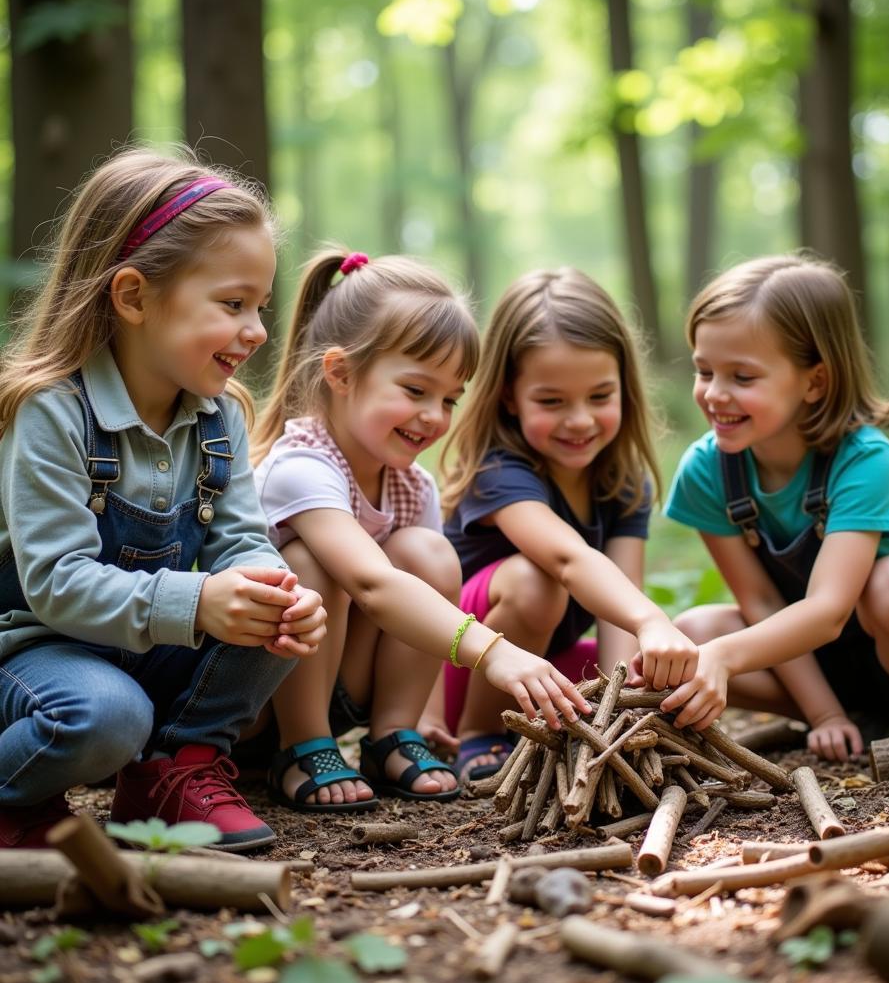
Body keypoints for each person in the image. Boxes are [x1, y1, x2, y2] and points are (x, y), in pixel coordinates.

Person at [0, 149, 328, 851]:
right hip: (41, 650)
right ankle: (16, 793)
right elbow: (56, 585)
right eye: (233, 304)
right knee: (106, 719)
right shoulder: (51, 413)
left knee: (274, 609)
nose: (258, 331)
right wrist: (198, 602)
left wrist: (270, 587)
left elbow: (239, 538)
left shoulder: (220, 417)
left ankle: (174, 770)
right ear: (134, 297)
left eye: (260, 307)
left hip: (150, 643)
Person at [249, 251, 590, 813]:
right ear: (340, 373)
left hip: (344, 677)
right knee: (309, 564)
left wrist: (429, 714)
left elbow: (427, 602)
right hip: (262, 696)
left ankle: (391, 737)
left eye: (450, 398)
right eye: (415, 390)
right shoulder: (299, 467)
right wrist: (494, 653)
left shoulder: (411, 485)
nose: (434, 414)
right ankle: (302, 744)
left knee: (428, 553)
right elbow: (373, 585)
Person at [661, 254, 889, 761]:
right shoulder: (707, 469)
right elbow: (760, 602)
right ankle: (856, 719)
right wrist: (823, 713)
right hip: (826, 659)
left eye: (743, 377)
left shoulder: (864, 461)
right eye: (704, 370)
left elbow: (827, 610)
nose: (715, 394)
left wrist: (727, 657)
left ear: (814, 381)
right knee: (693, 634)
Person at [439, 266, 698, 782]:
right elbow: (568, 560)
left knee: (667, 671)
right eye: (552, 401)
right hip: (467, 666)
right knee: (538, 583)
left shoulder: (623, 482)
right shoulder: (498, 471)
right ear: (510, 396)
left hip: (544, 667)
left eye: (599, 397)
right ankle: (480, 735)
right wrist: (651, 619)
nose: (579, 420)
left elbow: (618, 618)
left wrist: (620, 709)